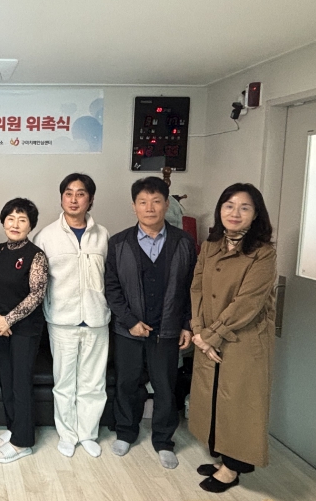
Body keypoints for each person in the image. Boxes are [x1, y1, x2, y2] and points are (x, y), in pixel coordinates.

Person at [189, 183, 276, 493]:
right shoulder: (210, 246)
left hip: (243, 339)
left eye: (244, 207)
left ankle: (233, 468)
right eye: (229, 205)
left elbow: (248, 303)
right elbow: (197, 288)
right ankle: (224, 458)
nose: (235, 213)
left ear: (256, 214)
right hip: (209, 335)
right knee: (214, 397)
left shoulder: (263, 253)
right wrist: (198, 330)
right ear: (220, 210)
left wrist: (210, 336)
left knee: (238, 403)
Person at [105, 176, 196, 469]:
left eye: (156, 201)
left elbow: (192, 288)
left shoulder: (184, 243)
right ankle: (125, 432)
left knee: (165, 386)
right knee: (127, 384)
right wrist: (130, 321)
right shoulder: (118, 243)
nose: (150, 208)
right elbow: (111, 288)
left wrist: (187, 324)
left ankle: (164, 441)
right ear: (134, 207)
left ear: (167, 204)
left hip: (168, 330)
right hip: (128, 330)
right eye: (143, 202)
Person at [33, 173, 111, 459]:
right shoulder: (46, 236)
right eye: (68, 193)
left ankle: (88, 433)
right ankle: (67, 434)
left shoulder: (102, 236)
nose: (74, 199)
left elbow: (111, 277)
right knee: (64, 383)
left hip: (97, 319)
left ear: (90, 199)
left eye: (80, 193)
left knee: (93, 383)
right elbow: (38, 283)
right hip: (62, 321)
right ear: (61, 198)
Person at [0, 198, 47, 464]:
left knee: (21, 383)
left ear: (30, 225)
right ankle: (14, 428)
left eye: (22, 220)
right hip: (0, 328)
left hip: (25, 330)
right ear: (4, 222)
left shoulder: (36, 255)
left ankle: (23, 442)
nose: (15, 224)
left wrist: (8, 320)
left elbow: (36, 294)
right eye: (11, 218)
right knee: (8, 381)